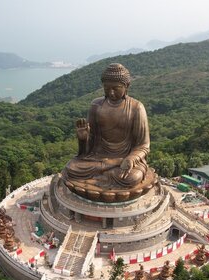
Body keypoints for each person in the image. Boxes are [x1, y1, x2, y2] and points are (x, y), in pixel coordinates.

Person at [62, 63, 154, 201]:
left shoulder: (136, 108)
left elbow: (143, 146)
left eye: (116, 88)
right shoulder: (96, 105)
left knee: (133, 178)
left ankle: (102, 176)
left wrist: (130, 159)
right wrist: (83, 139)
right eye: (107, 88)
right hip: (99, 157)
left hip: (126, 159)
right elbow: (90, 146)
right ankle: (108, 173)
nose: (111, 92)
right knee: (71, 167)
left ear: (127, 86)